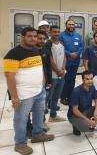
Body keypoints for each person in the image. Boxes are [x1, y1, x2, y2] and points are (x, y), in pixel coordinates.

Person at [3, 27, 54, 155]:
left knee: (38, 114)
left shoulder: (36, 50)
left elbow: (40, 67)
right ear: (22, 37)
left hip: (38, 92)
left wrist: (42, 82)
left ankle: (37, 134)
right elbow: (9, 76)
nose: (33, 39)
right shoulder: (13, 54)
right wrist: (14, 97)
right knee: (21, 119)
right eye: (30, 36)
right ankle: (20, 143)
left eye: (35, 36)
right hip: (24, 95)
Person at [67, 71, 97, 136]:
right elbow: (75, 111)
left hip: (87, 110)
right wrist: (88, 121)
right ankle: (76, 126)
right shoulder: (76, 91)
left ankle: (92, 125)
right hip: (74, 115)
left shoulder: (92, 87)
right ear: (83, 80)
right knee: (85, 127)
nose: (90, 81)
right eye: (87, 79)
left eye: (91, 79)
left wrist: (95, 113)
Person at [59, 19, 84, 105]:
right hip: (65, 61)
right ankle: (63, 97)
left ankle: (70, 96)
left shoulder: (77, 35)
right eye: (69, 24)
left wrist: (77, 53)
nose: (71, 26)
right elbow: (60, 47)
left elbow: (81, 46)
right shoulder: (61, 36)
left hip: (75, 62)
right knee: (65, 79)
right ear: (66, 25)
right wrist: (69, 54)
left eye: (73, 24)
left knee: (72, 79)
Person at [45, 25, 66, 122]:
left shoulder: (61, 43)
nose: (57, 34)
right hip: (52, 76)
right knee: (47, 98)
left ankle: (53, 116)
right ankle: (41, 121)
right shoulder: (48, 44)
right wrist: (58, 71)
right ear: (50, 33)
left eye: (58, 32)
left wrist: (63, 69)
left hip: (61, 75)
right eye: (54, 32)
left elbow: (64, 56)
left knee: (56, 96)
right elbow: (49, 59)